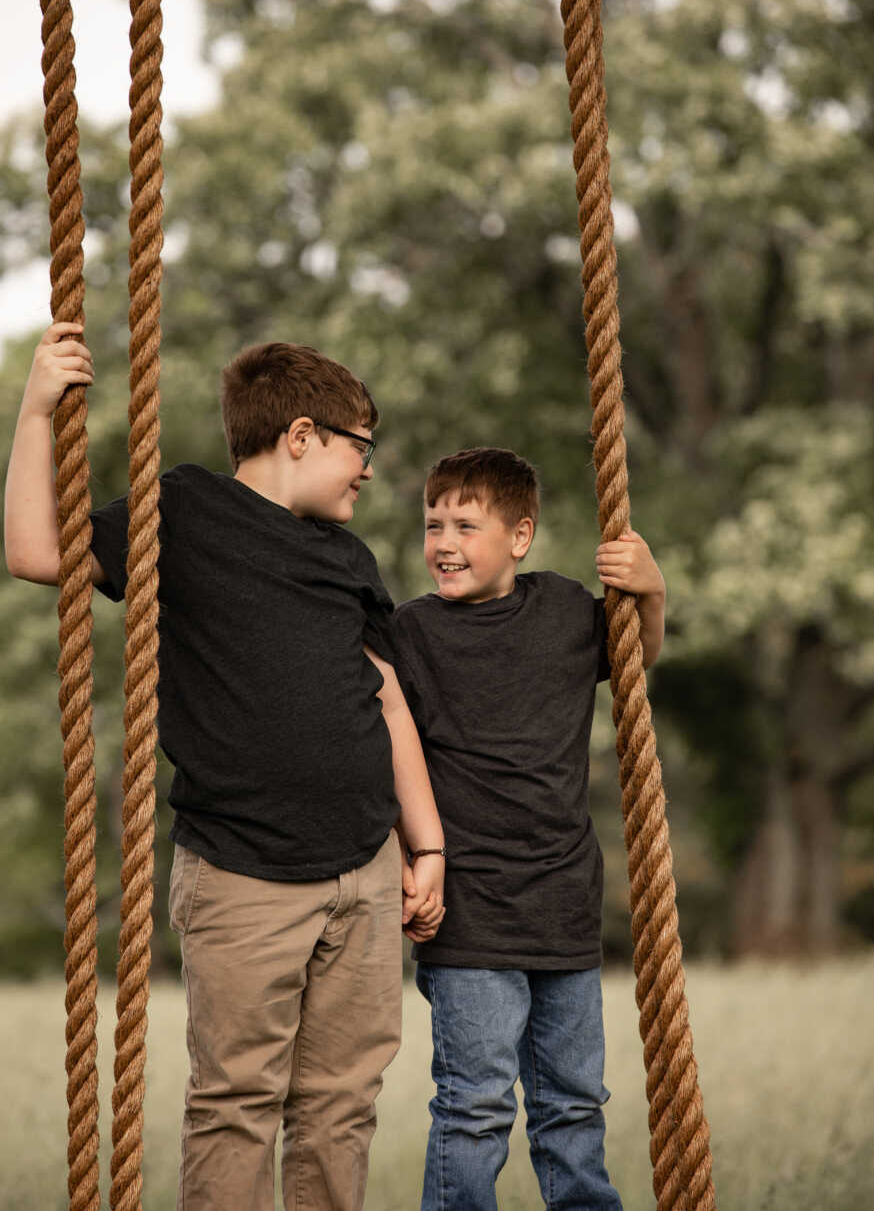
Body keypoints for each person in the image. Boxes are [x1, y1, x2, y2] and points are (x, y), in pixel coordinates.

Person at [4, 321, 445, 1211]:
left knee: (338, 1109)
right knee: (238, 1104)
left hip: (362, 870)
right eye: (362, 447)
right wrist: (36, 408)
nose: (369, 467)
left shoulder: (348, 558)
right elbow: (36, 554)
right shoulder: (187, 512)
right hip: (244, 875)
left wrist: (422, 847)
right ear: (301, 437)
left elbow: (388, 702)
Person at [392, 446, 667, 1211]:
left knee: (574, 1105)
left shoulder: (563, 611)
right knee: (475, 1108)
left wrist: (651, 594)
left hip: (565, 902)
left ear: (520, 536)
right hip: (471, 910)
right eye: (433, 524)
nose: (443, 542)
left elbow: (636, 661)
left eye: (465, 525)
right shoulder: (410, 634)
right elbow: (385, 755)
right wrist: (410, 861)